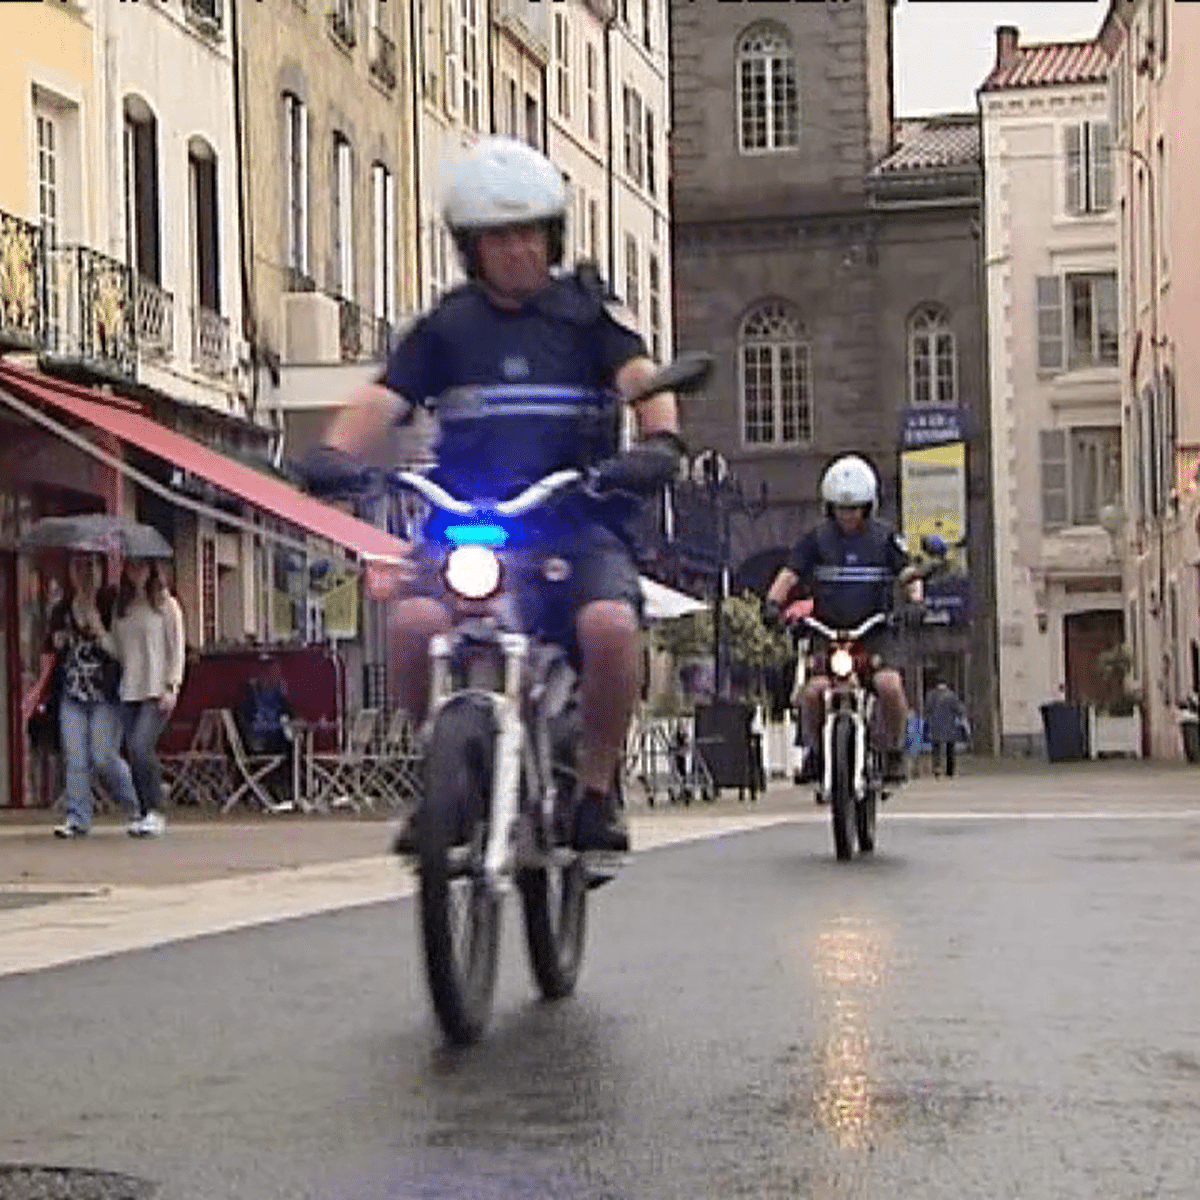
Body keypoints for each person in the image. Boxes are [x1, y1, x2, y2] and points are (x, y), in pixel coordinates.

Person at [301, 136, 684, 855]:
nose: (516, 251)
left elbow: (641, 380)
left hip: (574, 520)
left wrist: (658, 442)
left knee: (610, 630)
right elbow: (382, 398)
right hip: (467, 522)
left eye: (529, 234)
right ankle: (442, 773)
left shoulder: (587, 317)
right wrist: (335, 453)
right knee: (413, 626)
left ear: (553, 236)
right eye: (498, 238)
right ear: (470, 248)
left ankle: (597, 793)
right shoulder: (448, 327)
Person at [761, 455, 923, 786]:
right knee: (813, 692)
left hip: (874, 631)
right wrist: (773, 604)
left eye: (855, 508)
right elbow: (789, 574)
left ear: (869, 507)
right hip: (829, 631)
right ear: (829, 508)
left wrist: (916, 602)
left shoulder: (884, 538)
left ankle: (894, 752)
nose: (848, 516)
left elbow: (908, 573)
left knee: (889, 686)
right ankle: (816, 752)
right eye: (840, 509)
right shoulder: (817, 540)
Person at [44, 552, 141, 837]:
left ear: (101, 570)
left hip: (105, 694)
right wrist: (57, 641)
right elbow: (50, 647)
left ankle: (137, 806)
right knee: (75, 758)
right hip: (72, 692)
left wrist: (98, 627)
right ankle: (78, 817)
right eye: (78, 566)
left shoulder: (112, 605)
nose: (85, 573)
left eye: (91, 566)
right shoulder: (62, 609)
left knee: (104, 756)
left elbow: (121, 652)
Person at [112, 557, 186, 836]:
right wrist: (94, 627)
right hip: (130, 688)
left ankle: (156, 810)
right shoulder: (124, 609)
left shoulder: (167, 606)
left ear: (153, 569)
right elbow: (118, 650)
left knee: (142, 748)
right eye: (131, 567)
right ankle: (143, 812)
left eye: (142, 566)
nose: (137, 573)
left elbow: (177, 649)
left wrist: (172, 686)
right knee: (133, 752)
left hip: (157, 689)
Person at [235, 657, 297, 806]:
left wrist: (286, 697)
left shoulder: (278, 696)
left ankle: (291, 791)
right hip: (257, 742)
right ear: (263, 674)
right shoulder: (250, 696)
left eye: (278, 673)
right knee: (287, 748)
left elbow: (291, 715)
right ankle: (281, 790)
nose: (276, 677)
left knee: (293, 747)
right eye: (273, 673)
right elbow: (245, 722)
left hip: (275, 737)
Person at [925, 679, 968, 778]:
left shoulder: (930, 695)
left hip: (935, 725)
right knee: (950, 749)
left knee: (936, 748)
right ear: (946, 684)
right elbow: (959, 709)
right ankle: (950, 771)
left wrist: (928, 721)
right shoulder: (951, 695)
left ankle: (937, 769)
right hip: (949, 725)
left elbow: (927, 710)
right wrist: (961, 718)